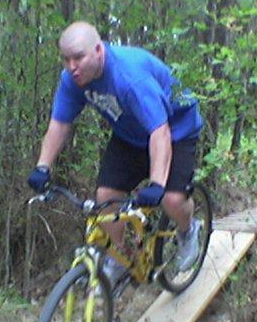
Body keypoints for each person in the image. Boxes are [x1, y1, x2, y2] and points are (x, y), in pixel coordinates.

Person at [27, 21, 203, 288]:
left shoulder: (129, 77)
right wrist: (43, 167)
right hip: (131, 135)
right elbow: (60, 124)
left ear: (98, 50)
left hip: (175, 129)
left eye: (78, 57)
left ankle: (189, 231)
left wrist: (156, 184)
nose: (72, 67)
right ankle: (121, 258)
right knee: (105, 200)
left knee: (172, 200)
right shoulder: (73, 81)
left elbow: (160, 132)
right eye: (66, 59)